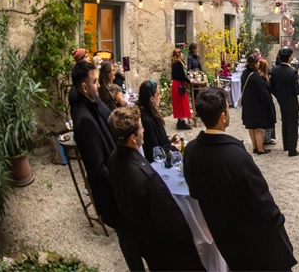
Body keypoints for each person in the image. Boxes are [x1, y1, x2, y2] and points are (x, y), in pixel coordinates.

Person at [183, 88, 297, 271]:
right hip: (251, 236)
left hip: (221, 232)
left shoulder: (191, 150)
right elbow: (261, 198)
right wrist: (278, 220)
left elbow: (194, 191)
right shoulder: (235, 156)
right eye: (227, 109)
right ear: (222, 116)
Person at [107, 106, 206, 272]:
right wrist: (190, 239)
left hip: (143, 239)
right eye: (140, 127)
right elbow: (170, 216)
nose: (143, 129)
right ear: (133, 138)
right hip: (164, 246)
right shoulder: (145, 175)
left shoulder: (113, 158)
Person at [69, 61, 144, 272]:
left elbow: (111, 120)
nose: (98, 85)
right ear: (84, 88)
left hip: (118, 181)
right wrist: (121, 182)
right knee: (127, 234)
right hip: (112, 193)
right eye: (94, 82)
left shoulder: (93, 102)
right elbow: (96, 168)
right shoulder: (83, 119)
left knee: (134, 231)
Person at [271, 47, 299, 157]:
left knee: (285, 122)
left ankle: (286, 145)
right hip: (292, 102)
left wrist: (279, 96)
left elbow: (272, 88)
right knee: (292, 125)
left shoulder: (274, 70)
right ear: (289, 58)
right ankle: (292, 149)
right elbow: (297, 91)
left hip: (282, 101)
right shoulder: (292, 72)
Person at [137, 80, 179, 163]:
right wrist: (174, 148)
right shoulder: (146, 121)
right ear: (152, 99)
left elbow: (157, 139)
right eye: (158, 94)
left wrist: (169, 140)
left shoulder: (152, 113)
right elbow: (155, 153)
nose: (160, 97)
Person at [242, 54, 276, 155]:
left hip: (247, 103)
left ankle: (255, 147)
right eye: (257, 62)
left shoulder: (244, 74)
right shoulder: (256, 77)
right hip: (257, 105)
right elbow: (263, 93)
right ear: (255, 64)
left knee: (251, 127)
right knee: (259, 128)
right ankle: (261, 148)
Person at [171, 49, 192, 130]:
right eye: (181, 53)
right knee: (181, 103)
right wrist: (189, 81)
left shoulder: (174, 62)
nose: (182, 54)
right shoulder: (178, 63)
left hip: (175, 84)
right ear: (179, 54)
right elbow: (181, 76)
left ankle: (180, 121)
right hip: (179, 84)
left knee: (178, 103)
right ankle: (181, 122)